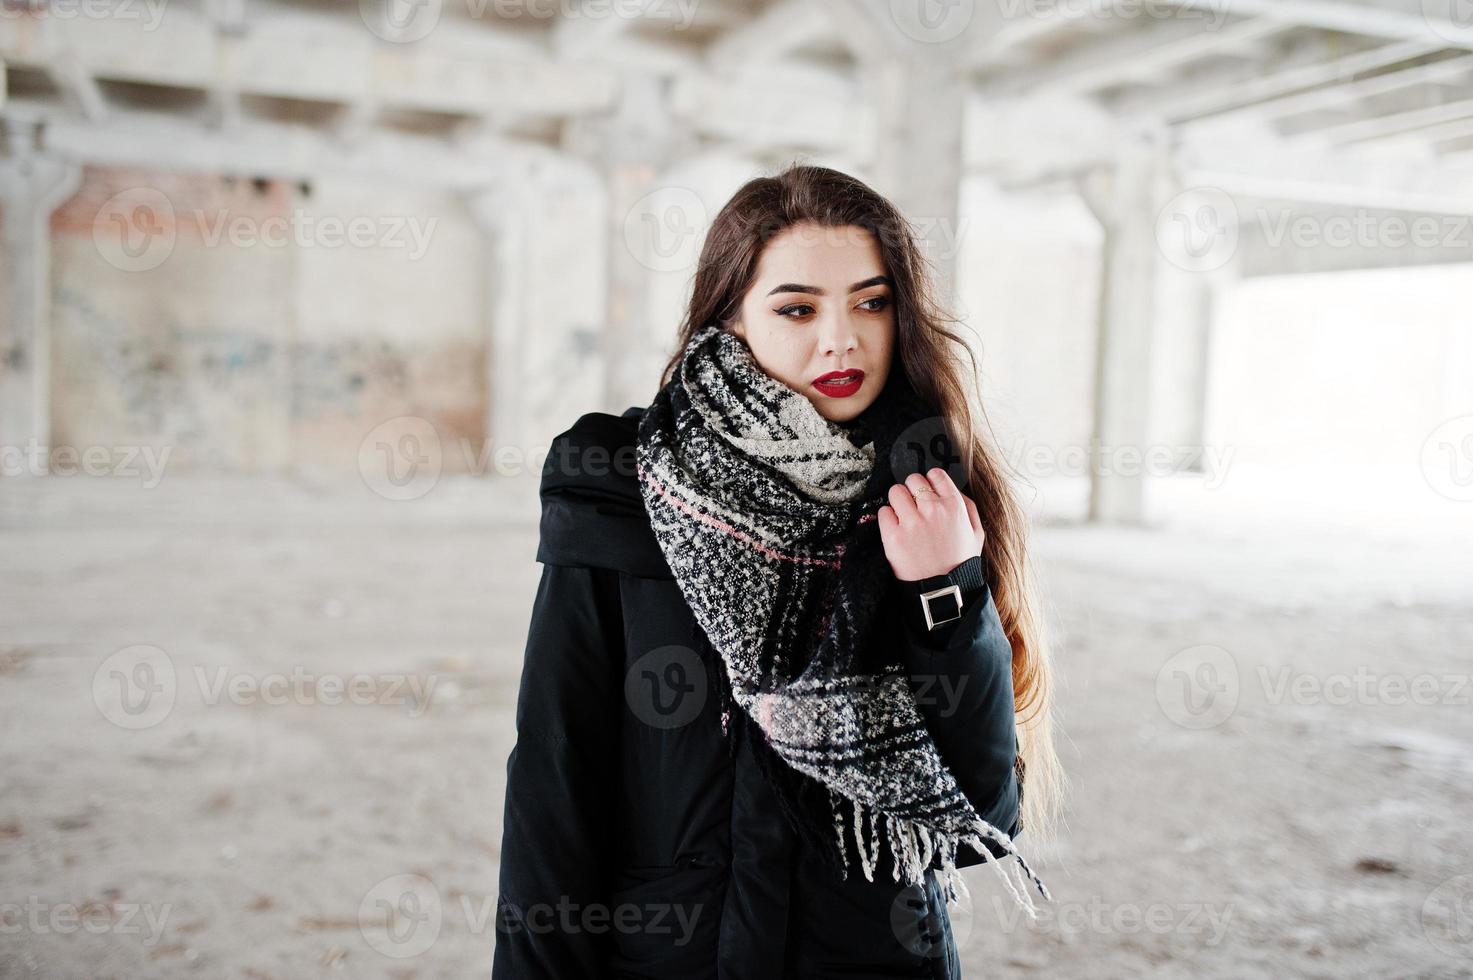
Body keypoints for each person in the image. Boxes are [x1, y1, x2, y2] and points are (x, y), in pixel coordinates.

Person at [493, 163, 1062, 979]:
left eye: (872, 301)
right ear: (727, 318)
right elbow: (555, 776)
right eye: (797, 308)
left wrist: (945, 590)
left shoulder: (927, 491)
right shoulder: (621, 485)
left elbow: (980, 811)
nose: (841, 338)